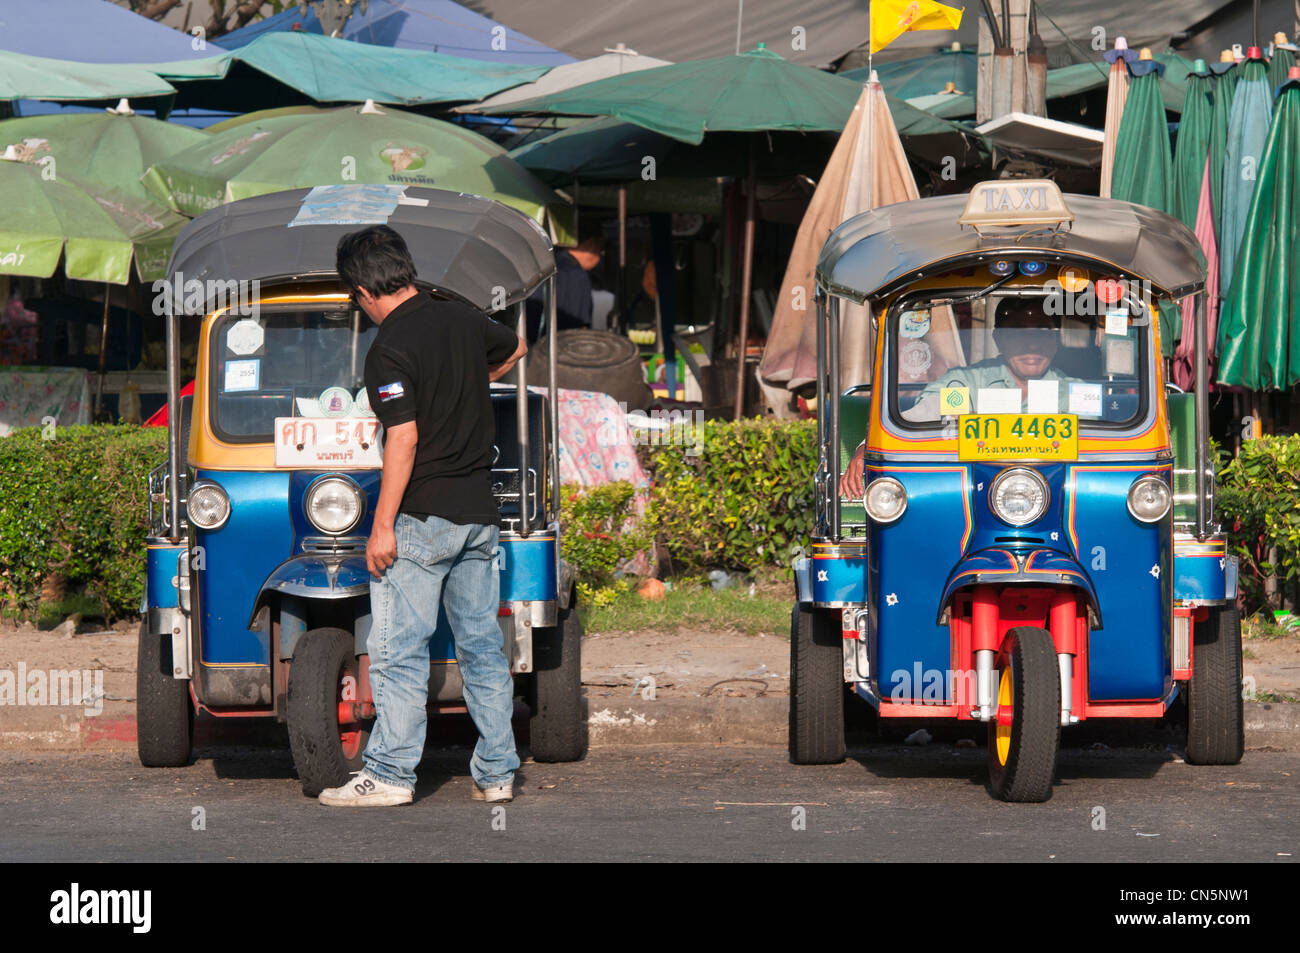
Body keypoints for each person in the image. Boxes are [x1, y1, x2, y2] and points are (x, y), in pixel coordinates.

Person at [319, 225, 528, 808]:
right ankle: (497, 772)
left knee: (398, 650)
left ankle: (388, 774)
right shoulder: (461, 318)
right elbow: (514, 346)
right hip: (478, 516)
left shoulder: (388, 348)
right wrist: (468, 385)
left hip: (422, 519)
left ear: (362, 290)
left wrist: (381, 525)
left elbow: (403, 439)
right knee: (481, 646)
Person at [840, 298, 1075, 497]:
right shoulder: (968, 382)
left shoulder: (1075, 392)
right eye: (1017, 333)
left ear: (1056, 341)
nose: (1031, 344)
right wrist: (866, 448)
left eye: (1042, 333)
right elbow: (922, 414)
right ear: (999, 340)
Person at [525, 234, 604, 341]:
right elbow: (581, 326)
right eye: (600, 250)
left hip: (533, 344)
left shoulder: (544, 266)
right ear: (591, 244)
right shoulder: (578, 275)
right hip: (564, 346)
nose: (599, 258)